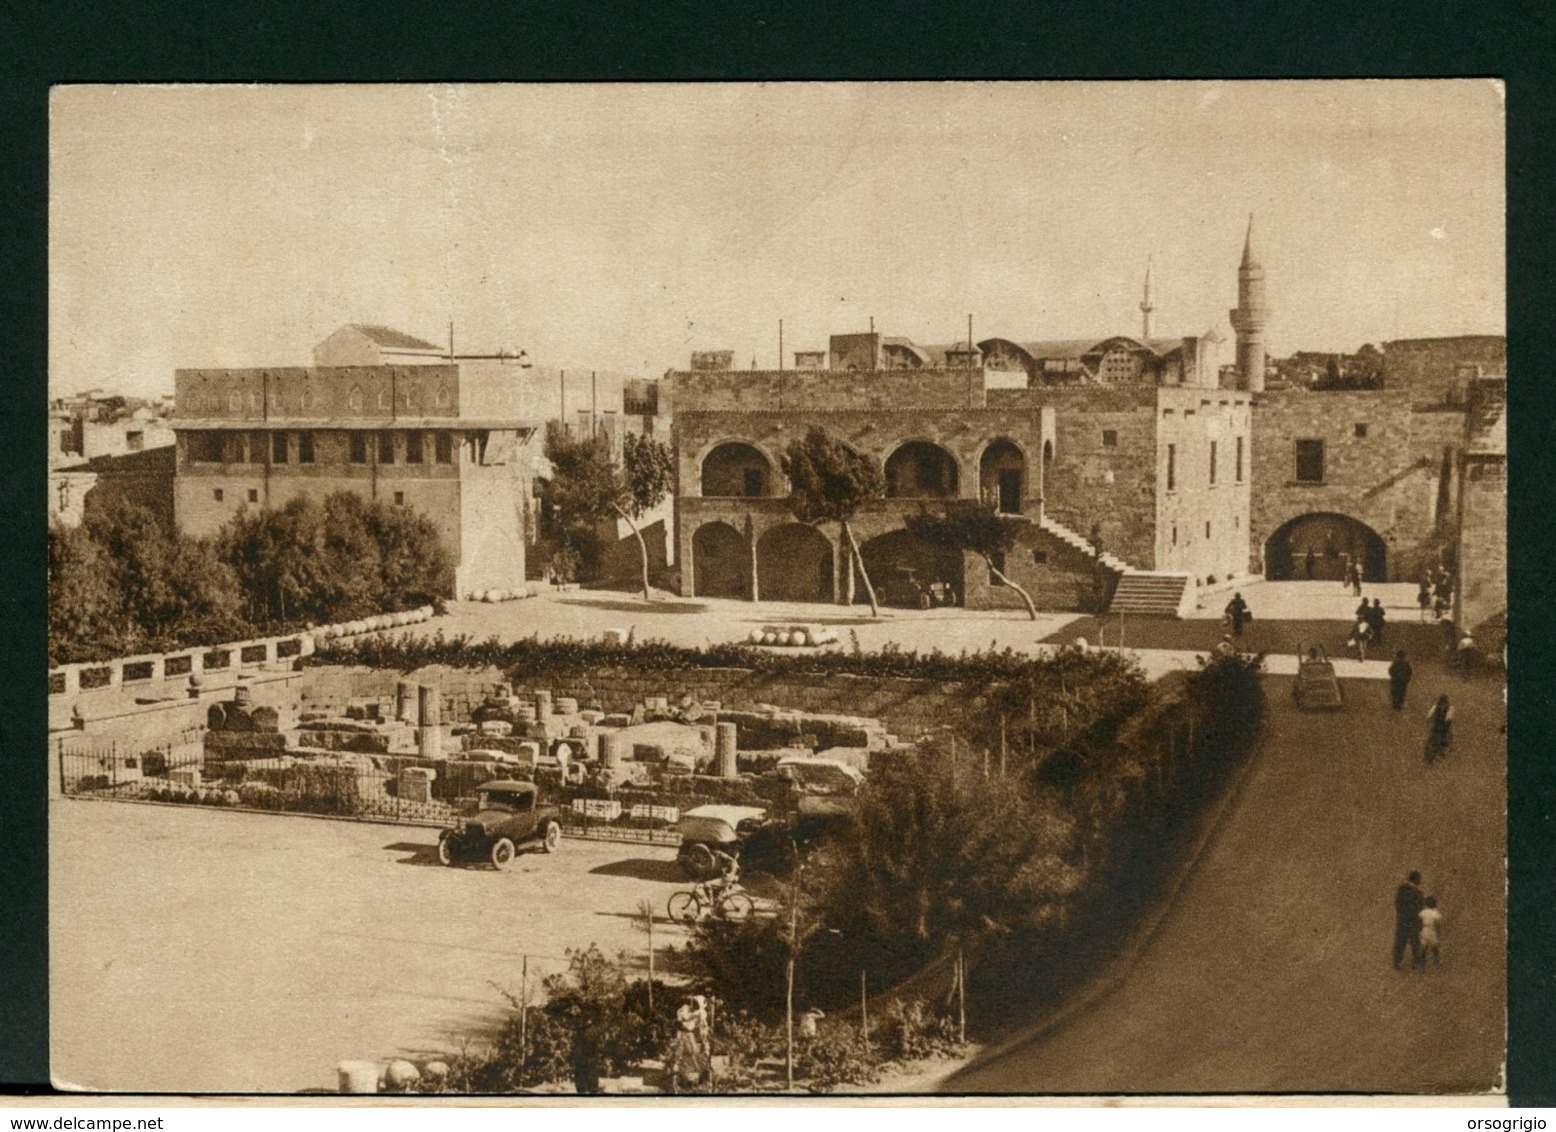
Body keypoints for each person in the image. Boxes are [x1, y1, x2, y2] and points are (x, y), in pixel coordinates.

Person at [668, 996, 709, 1092]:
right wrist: (696, 1014)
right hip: (681, 1032)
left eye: (696, 1005)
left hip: (690, 1034)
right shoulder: (684, 1008)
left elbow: (702, 1026)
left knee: (694, 1053)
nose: (693, 1005)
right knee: (680, 1050)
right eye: (694, 1003)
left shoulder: (699, 1013)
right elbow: (685, 1018)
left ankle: (694, 1077)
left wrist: (704, 1031)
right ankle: (676, 1072)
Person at [1393, 871, 1425, 969]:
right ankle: (1417, 962)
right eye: (1419, 879)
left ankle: (1397, 962)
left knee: (1400, 941)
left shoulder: (1401, 890)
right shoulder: (1418, 893)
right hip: (1413, 921)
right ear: (1416, 879)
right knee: (1415, 941)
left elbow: (1397, 903)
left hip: (1402, 919)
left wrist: (1401, 914)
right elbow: (1420, 908)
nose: (1420, 881)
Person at [1424, 694, 1454, 763]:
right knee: (1442, 740)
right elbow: (1449, 718)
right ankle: (1438, 754)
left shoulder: (1436, 706)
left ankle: (1432, 755)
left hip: (1438, 727)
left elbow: (1429, 716)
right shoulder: (1449, 707)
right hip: (1441, 727)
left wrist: (1429, 720)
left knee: (1435, 740)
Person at [1417, 896, 1443, 968]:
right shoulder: (1435, 913)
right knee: (1434, 945)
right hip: (1432, 929)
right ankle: (1437, 961)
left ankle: (1422, 962)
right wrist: (1439, 931)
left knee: (1423, 946)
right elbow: (1438, 923)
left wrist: (1419, 930)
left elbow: (1419, 920)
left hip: (1425, 929)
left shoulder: (1423, 912)